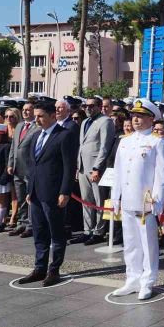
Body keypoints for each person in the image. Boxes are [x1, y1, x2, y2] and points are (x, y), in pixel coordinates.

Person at [110, 99, 164, 300]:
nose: (135, 119)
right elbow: (118, 171)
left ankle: (147, 280)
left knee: (147, 243)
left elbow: (162, 175)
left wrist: (157, 201)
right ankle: (132, 278)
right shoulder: (125, 141)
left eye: (141, 116)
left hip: (145, 200)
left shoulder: (158, 141)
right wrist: (115, 197)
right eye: (133, 116)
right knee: (130, 242)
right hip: (127, 199)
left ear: (151, 119)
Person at [17, 100, 76, 287]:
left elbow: (69, 166)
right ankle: (39, 267)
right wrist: (29, 189)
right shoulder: (36, 136)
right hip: (36, 192)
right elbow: (33, 165)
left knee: (56, 232)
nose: (37, 119)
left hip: (54, 193)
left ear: (53, 116)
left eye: (41, 116)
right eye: (35, 116)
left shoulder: (64, 135)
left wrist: (65, 191)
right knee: (39, 231)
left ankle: (54, 269)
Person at [69, 96, 116, 246]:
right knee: (86, 200)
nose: (88, 108)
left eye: (91, 106)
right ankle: (87, 230)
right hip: (83, 167)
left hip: (96, 168)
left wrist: (97, 167)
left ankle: (99, 231)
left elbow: (104, 146)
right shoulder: (84, 122)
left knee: (99, 201)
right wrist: (78, 165)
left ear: (99, 106)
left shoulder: (105, 121)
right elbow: (81, 145)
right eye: (85, 106)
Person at [7, 101, 39, 238]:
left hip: (29, 168)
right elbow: (14, 147)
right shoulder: (19, 126)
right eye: (24, 109)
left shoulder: (37, 128)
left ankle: (31, 224)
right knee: (20, 197)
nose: (25, 112)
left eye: (29, 109)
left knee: (29, 197)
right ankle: (22, 221)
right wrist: (10, 163)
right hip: (17, 168)